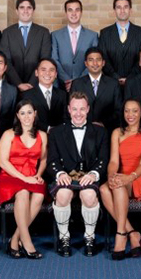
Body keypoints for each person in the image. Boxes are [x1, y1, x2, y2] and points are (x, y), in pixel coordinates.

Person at [46, 92, 109, 257]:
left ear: (88, 109)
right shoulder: (56, 132)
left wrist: (94, 174)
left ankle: (89, 237)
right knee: (63, 195)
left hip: (89, 175)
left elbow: (103, 159)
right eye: (74, 109)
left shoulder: (100, 132)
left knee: (89, 195)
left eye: (82, 109)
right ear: (68, 109)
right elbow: (51, 160)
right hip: (65, 175)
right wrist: (59, 173)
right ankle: (64, 237)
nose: (78, 113)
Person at [99, 99, 141, 260]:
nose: (130, 115)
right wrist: (111, 176)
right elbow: (113, 162)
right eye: (127, 111)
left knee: (117, 187)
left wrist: (129, 178)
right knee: (104, 188)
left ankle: (120, 234)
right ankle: (132, 233)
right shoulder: (117, 132)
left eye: (134, 111)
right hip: (122, 175)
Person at [0, 100, 48, 259]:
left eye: (30, 112)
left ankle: (15, 238)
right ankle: (27, 242)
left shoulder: (42, 135)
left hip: (32, 176)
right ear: (17, 115)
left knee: (39, 195)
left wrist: (38, 174)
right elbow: (3, 162)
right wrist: (24, 178)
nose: (26, 117)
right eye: (23, 113)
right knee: (23, 192)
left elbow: (44, 159)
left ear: (35, 114)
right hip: (10, 176)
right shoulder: (8, 134)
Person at [0, 0, 52, 92]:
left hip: (36, 85)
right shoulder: (7, 33)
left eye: (29, 8)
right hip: (12, 86)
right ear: (16, 11)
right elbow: (6, 61)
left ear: (33, 11)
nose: (25, 11)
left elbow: (44, 60)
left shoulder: (43, 32)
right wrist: (18, 83)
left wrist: (31, 83)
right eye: (22, 7)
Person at [97, 0, 141, 86]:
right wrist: (115, 77)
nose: (122, 10)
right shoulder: (105, 33)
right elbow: (103, 58)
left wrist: (130, 78)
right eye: (119, 7)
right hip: (111, 83)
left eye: (125, 7)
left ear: (130, 10)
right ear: (114, 11)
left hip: (135, 82)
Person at [51, 0, 99, 91]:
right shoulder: (55, 35)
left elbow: (94, 61)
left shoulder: (92, 36)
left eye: (77, 10)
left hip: (85, 84)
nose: (74, 13)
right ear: (66, 13)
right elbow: (54, 59)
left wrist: (77, 81)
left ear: (81, 12)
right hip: (61, 85)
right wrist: (66, 80)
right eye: (70, 10)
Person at [71, 47, 122, 131]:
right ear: (86, 63)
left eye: (98, 60)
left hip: (107, 131)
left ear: (103, 63)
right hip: (82, 130)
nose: (95, 63)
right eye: (91, 60)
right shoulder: (77, 83)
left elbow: (119, 110)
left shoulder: (113, 84)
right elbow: (71, 109)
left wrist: (103, 123)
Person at [20, 58, 68, 132]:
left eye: (51, 70)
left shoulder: (62, 95)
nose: (47, 73)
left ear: (56, 74)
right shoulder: (26, 95)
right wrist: (48, 129)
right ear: (36, 73)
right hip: (34, 135)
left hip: (59, 136)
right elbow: (26, 119)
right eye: (43, 70)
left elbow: (66, 117)